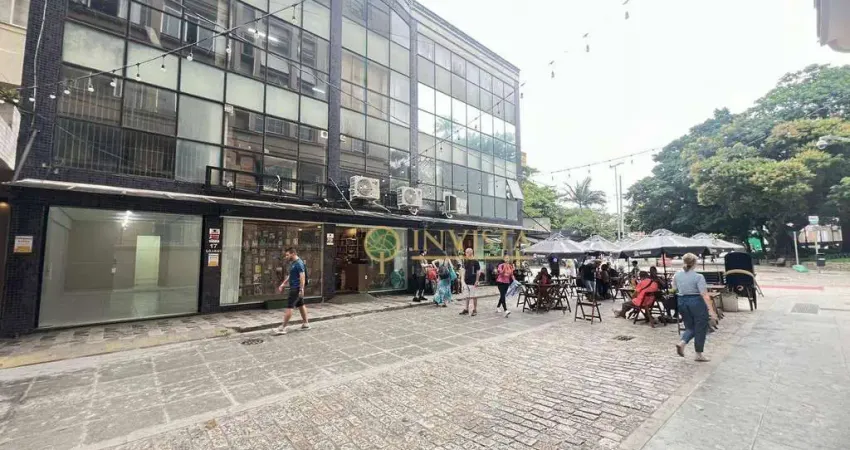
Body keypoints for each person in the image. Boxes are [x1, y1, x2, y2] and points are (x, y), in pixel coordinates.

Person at [673, 253, 716, 362]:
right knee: (701, 327)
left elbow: (674, 288)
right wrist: (712, 311)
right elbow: (704, 294)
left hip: (682, 301)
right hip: (696, 302)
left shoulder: (677, 275)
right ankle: (698, 354)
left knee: (690, 327)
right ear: (695, 263)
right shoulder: (698, 277)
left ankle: (682, 343)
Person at [273, 247, 310, 335]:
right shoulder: (294, 263)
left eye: (287, 255)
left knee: (290, 307)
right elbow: (291, 275)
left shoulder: (299, 263)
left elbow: (302, 277)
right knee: (301, 304)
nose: (286, 257)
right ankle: (306, 324)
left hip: (296, 288)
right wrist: (283, 284)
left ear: (293, 254)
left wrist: (301, 289)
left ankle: (282, 328)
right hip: (295, 287)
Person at [460, 248, 483, 316]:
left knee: (474, 296)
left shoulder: (475, 261)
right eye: (465, 252)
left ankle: (475, 310)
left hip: (473, 281)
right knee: (467, 296)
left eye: (466, 252)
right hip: (466, 281)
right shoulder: (466, 261)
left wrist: (477, 280)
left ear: (470, 253)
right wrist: (462, 280)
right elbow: (464, 270)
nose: (465, 254)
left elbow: (478, 272)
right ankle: (466, 309)